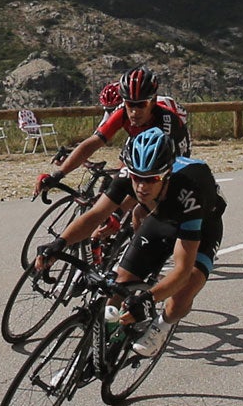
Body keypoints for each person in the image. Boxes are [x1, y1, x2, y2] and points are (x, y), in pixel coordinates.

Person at [38, 126, 225, 357]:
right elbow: (95, 216)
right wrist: (59, 244)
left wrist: (150, 298)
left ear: (167, 173)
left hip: (203, 225)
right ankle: (84, 360)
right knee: (119, 285)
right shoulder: (129, 176)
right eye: (137, 178)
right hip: (160, 217)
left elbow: (183, 269)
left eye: (151, 179)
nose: (141, 187)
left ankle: (162, 326)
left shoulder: (191, 191)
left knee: (184, 290)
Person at [38, 67, 190, 194]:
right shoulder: (121, 112)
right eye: (130, 104)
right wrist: (57, 175)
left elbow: (151, 172)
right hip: (139, 140)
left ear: (153, 101)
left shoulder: (164, 121)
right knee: (116, 183)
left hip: (173, 151)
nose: (135, 111)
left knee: (148, 197)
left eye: (141, 104)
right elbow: (92, 143)